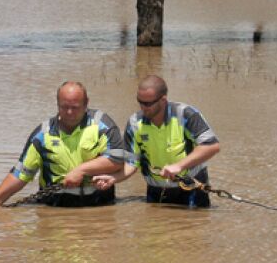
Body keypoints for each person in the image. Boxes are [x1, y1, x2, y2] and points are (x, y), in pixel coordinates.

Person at [0, 81, 125, 208]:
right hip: (55, 207)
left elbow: (117, 160)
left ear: (86, 103)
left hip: (100, 205)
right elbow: (21, 174)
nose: (69, 112)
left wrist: (81, 171)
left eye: (75, 107)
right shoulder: (42, 135)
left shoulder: (102, 126)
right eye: (64, 107)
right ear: (57, 104)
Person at [94, 75, 220, 208]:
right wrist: (113, 178)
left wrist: (179, 166)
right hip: (156, 191)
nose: (143, 107)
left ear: (163, 100)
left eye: (148, 103)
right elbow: (132, 163)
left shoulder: (186, 115)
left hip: (191, 188)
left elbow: (211, 146)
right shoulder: (135, 123)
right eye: (140, 102)